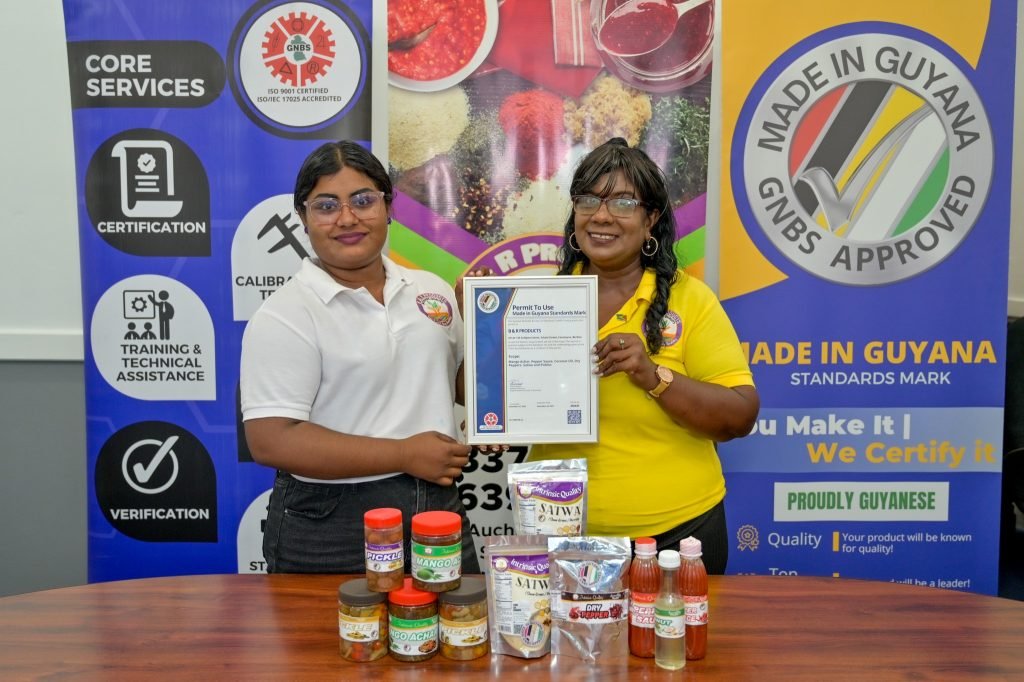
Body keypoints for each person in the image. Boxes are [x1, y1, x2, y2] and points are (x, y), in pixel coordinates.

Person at [240, 140, 480, 574]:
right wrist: (404, 455)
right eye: (326, 205)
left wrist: (484, 332)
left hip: (436, 504)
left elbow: (459, 385)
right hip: (329, 522)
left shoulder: (432, 289)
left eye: (363, 200)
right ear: (303, 218)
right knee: (336, 624)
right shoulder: (286, 313)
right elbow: (271, 439)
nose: (347, 218)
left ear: (389, 207)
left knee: (456, 618)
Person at [528, 138, 759, 574]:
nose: (601, 216)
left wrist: (653, 376)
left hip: (679, 534)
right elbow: (483, 397)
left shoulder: (690, 299)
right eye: (588, 200)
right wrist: (482, 332)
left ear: (651, 219)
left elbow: (740, 416)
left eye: (622, 202)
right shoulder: (536, 299)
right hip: (560, 533)